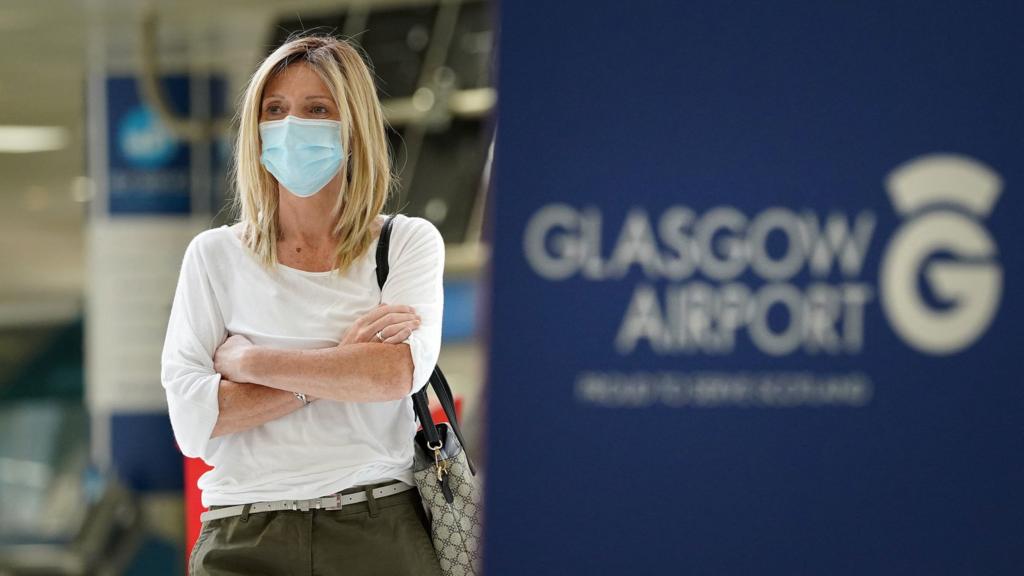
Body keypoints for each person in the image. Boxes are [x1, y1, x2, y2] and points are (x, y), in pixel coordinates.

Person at [160, 34, 445, 576]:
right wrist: (339, 363)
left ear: (354, 127)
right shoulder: (213, 256)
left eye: (317, 109)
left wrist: (250, 364)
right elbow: (193, 420)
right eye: (275, 110)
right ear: (255, 130)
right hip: (243, 534)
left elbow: (393, 373)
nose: (292, 126)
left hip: (376, 523)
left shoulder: (406, 244)